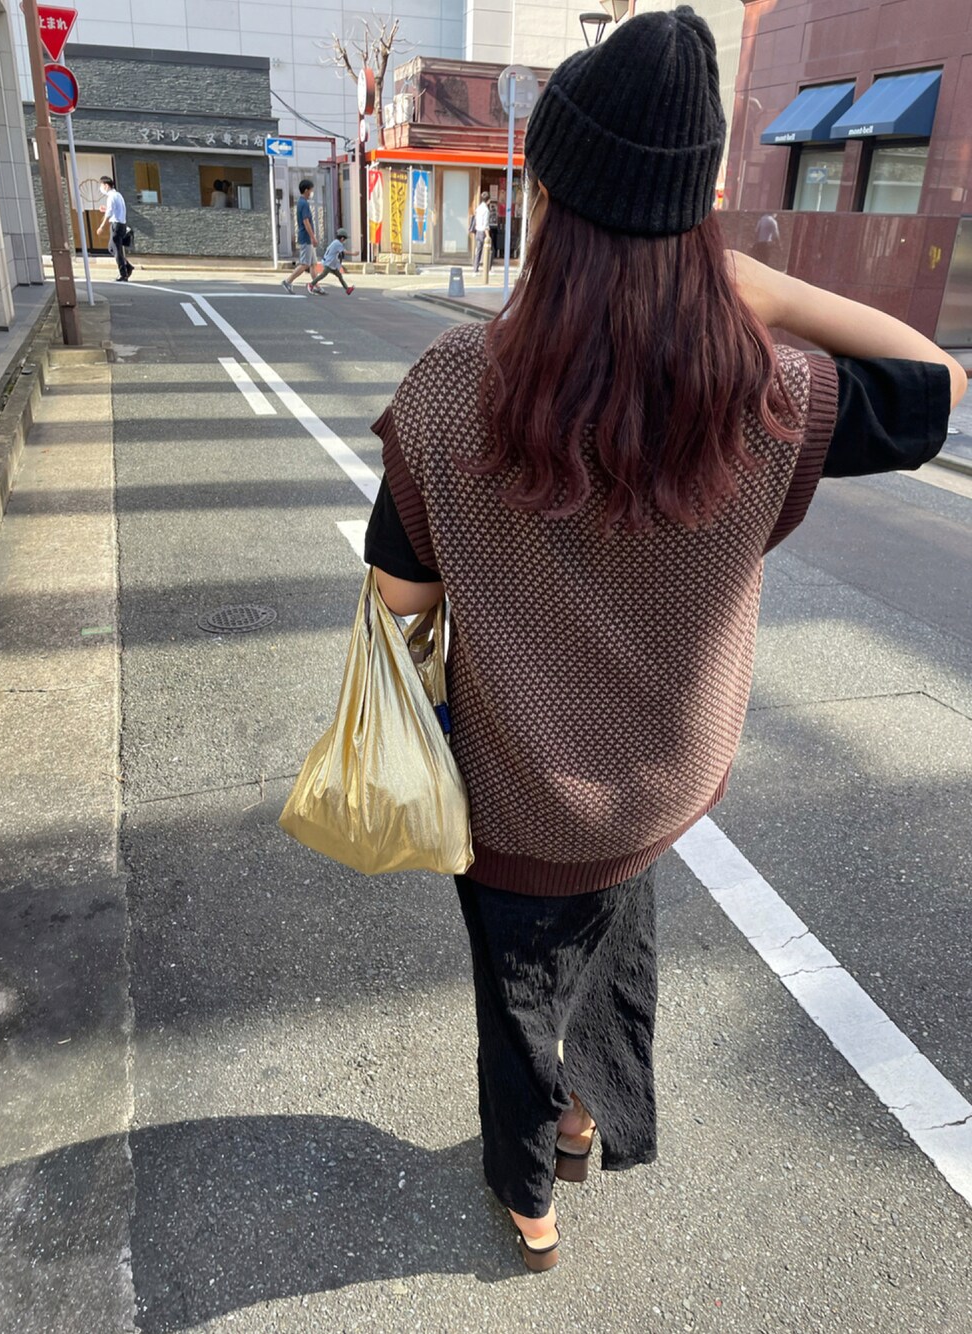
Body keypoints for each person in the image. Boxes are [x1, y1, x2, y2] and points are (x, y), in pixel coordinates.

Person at [362, 7, 966, 1273]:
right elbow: (935, 383)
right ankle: (591, 1115)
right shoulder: (765, 393)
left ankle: (531, 1199)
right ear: (695, 218)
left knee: (517, 993)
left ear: (549, 198)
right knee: (616, 949)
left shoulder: (451, 385)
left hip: (511, 785)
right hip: (660, 782)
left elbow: (401, 599)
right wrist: (764, 288)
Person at [281, 178, 320, 295]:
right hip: (306, 238)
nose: (312, 193)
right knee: (305, 264)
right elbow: (306, 221)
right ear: (306, 190)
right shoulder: (303, 203)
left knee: (313, 263)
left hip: (307, 238)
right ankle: (288, 281)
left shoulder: (302, 202)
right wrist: (313, 237)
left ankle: (316, 286)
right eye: (311, 190)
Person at [96, 174, 132, 282]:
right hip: (121, 224)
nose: (101, 188)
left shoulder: (111, 196)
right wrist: (106, 209)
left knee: (115, 249)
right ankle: (127, 266)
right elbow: (115, 209)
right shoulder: (118, 195)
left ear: (106, 186)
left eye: (101, 185)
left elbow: (109, 213)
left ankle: (123, 273)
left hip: (116, 225)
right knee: (113, 248)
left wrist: (101, 226)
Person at [308, 229, 357, 295]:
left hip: (330, 263)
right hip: (328, 263)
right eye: (345, 239)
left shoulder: (335, 242)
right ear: (342, 238)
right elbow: (344, 252)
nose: (345, 241)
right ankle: (311, 284)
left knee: (339, 276)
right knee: (323, 274)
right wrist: (354, 254)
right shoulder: (338, 244)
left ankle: (347, 289)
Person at [471, 190, 491, 273]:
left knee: (478, 250)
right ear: (488, 200)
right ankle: (487, 268)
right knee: (490, 250)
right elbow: (485, 225)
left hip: (477, 231)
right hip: (483, 232)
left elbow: (476, 219)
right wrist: (488, 236)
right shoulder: (486, 210)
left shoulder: (478, 208)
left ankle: (475, 268)